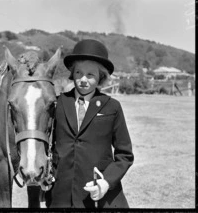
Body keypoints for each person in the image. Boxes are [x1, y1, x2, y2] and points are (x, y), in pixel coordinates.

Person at [46, 39, 134, 208]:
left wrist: (106, 183)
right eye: (78, 73)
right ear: (72, 73)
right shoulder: (58, 104)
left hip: (98, 195)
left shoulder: (112, 107)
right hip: (60, 196)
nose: (83, 79)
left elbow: (125, 155)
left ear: (101, 76)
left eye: (90, 75)